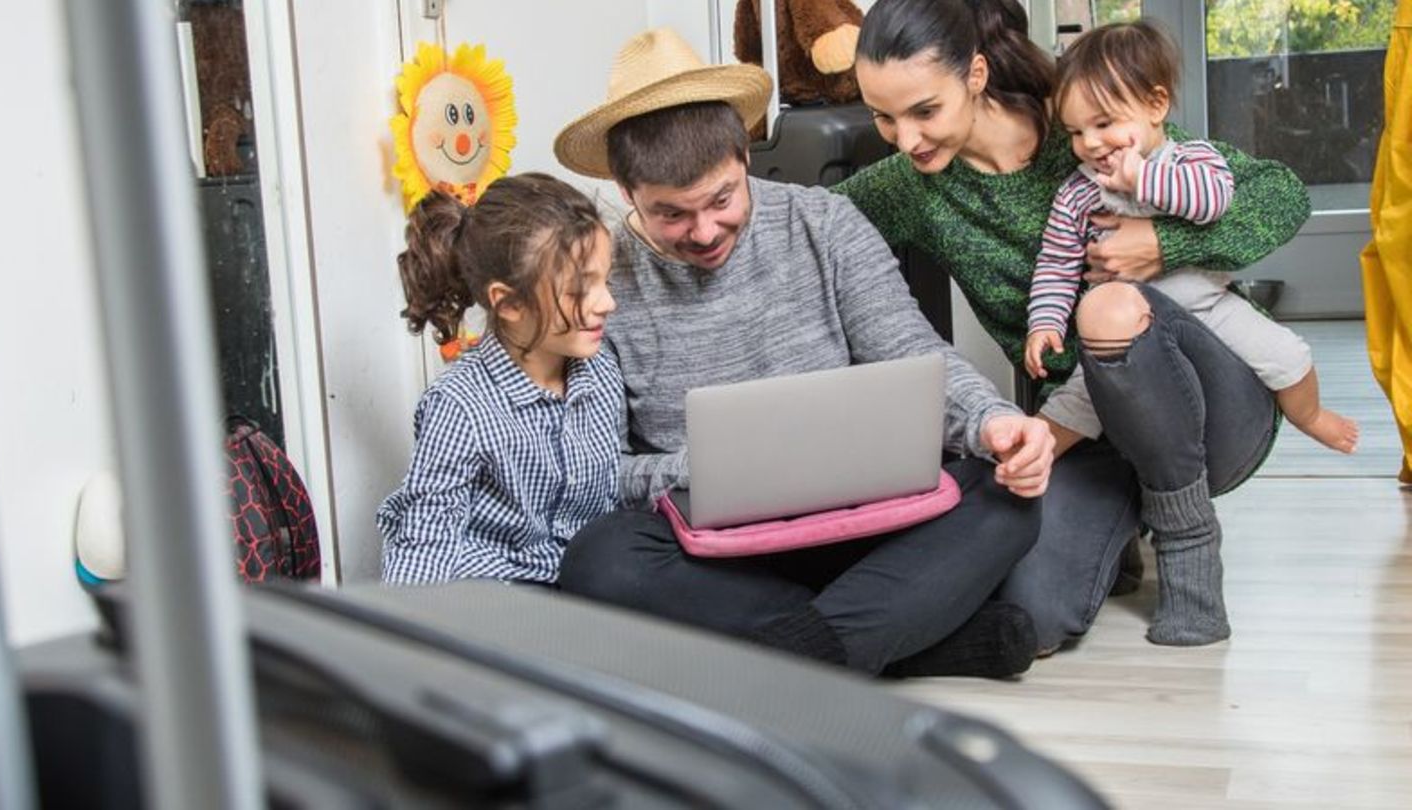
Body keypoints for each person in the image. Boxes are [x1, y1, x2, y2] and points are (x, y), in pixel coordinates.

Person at [551, 28, 1055, 678]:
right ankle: (898, 647)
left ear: (744, 158)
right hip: (715, 550)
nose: (704, 232)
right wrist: (702, 469)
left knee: (1004, 492)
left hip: (861, 527)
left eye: (722, 199)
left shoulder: (827, 225)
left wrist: (993, 421)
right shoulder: (601, 279)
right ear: (626, 194)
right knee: (599, 562)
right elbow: (598, 468)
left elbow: (912, 354)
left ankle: (799, 660)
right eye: (672, 215)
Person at [839, 0, 1310, 647]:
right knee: (1033, 618)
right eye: (882, 117)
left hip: (1211, 408)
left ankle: (1187, 538)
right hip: (1084, 428)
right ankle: (1121, 526)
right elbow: (806, 225)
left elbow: (1281, 193)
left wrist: (1162, 244)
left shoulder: (1085, 126)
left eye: (924, 111)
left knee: (1109, 310)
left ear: (974, 75)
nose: (907, 138)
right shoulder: (909, 185)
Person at [1025, 21, 1357, 456]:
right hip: (1119, 335)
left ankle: (1310, 416)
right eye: (1074, 132)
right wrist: (1045, 322)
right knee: (1076, 401)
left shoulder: (1192, 158)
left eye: (1103, 123)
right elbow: (1056, 264)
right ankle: (1026, 457)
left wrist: (1143, 178)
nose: (1089, 143)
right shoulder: (1077, 191)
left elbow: (1212, 202)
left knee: (1288, 356)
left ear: (1155, 105)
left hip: (1209, 310)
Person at [378, 175, 622, 586]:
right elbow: (424, 541)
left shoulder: (600, 371)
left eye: (606, 279)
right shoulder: (460, 405)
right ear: (508, 303)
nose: (607, 303)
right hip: (501, 602)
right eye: (580, 289)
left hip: (587, 587)